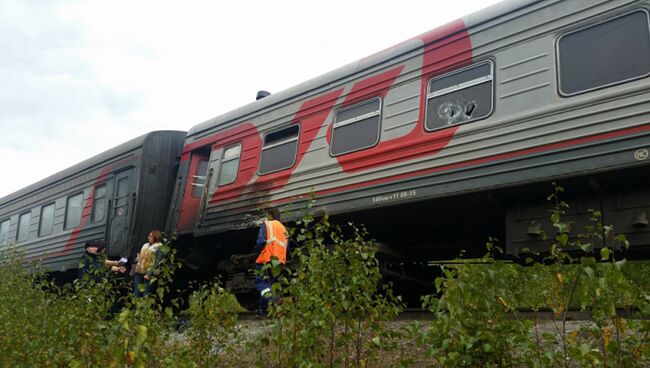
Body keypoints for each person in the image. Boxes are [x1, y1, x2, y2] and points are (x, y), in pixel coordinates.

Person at [253, 207, 288, 316]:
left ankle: (275, 299)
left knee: (261, 284)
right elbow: (287, 247)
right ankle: (264, 312)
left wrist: (257, 253)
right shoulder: (284, 229)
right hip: (278, 262)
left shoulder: (267, 225)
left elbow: (260, 242)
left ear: (271, 216)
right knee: (270, 285)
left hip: (266, 259)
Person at [132, 230, 163, 298]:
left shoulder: (159, 247)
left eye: (150, 236)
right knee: (136, 293)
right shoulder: (145, 245)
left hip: (149, 274)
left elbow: (158, 261)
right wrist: (137, 259)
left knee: (146, 294)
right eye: (149, 236)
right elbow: (141, 257)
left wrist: (149, 273)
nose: (148, 237)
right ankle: (135, 308)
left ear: (156, 237)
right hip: (139, 272)